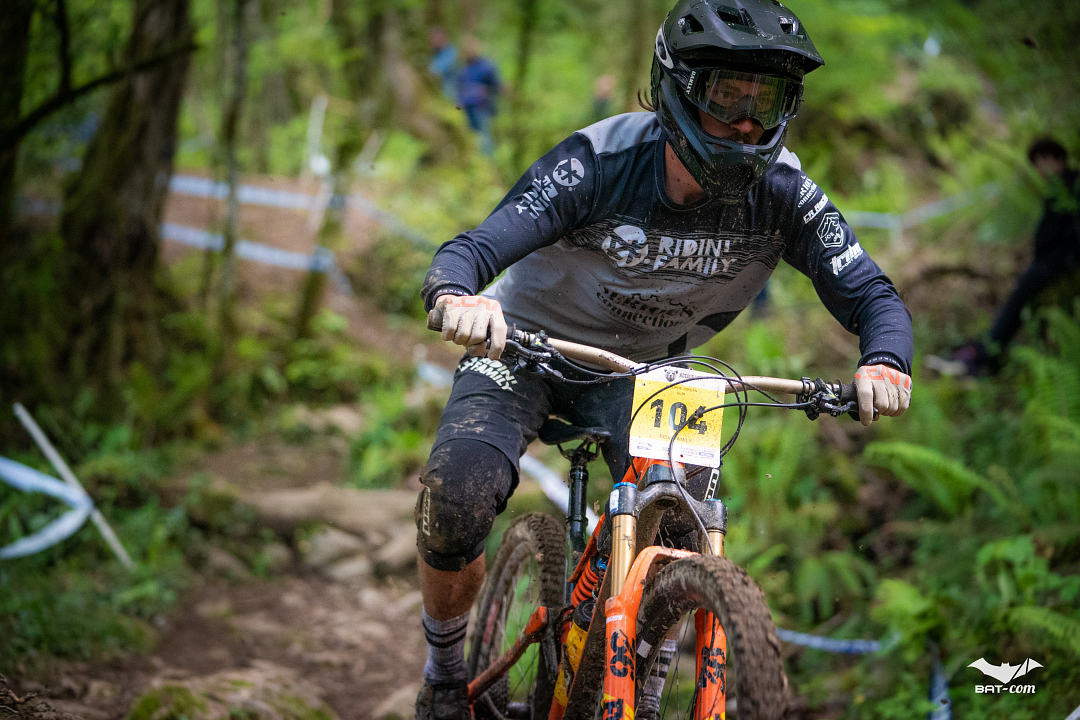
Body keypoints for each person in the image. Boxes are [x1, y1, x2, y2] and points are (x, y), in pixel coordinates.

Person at [414, 1, 914, 718]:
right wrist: (458, 293)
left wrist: (885, 361)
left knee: (686, 524)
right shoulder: (600, 161)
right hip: (528, 347)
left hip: (647, 374)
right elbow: (475, 246)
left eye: (764, 99)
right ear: (678, 88)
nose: (746, 121)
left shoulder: (785, 196)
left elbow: (869, 291)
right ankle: (441, 671)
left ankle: (638, 688)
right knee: (457, 493)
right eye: (724, 94)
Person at [949, 138, 1079, 375]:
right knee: (1015, 302)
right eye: (1038, 164)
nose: (1041, 170)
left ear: (1058, 159)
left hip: (1054, 264)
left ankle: (985, 355)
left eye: (1044, 161)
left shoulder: (1071, 186)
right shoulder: (1057, 189)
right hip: (1047, 263)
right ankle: (981, 351)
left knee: (1017, 304)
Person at [456, 37, 501, 156]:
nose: (469, 52)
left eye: (472, 49)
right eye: (467, 50)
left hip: (482, 107)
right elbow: (459, 88)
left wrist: (487, 90)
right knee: (472, 137)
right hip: (467, 108)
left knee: (485, 138)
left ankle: (489, 165)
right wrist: (458, 103)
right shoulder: (463, 70)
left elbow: (495, 86)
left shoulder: (486, 66)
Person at [428, 27, 458, 101]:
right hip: (442, 95)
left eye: (435, 38)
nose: (432, 41)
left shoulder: (452, 53)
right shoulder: (435, 55)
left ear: (443, 38)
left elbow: (437, 71)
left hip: (454, 94)